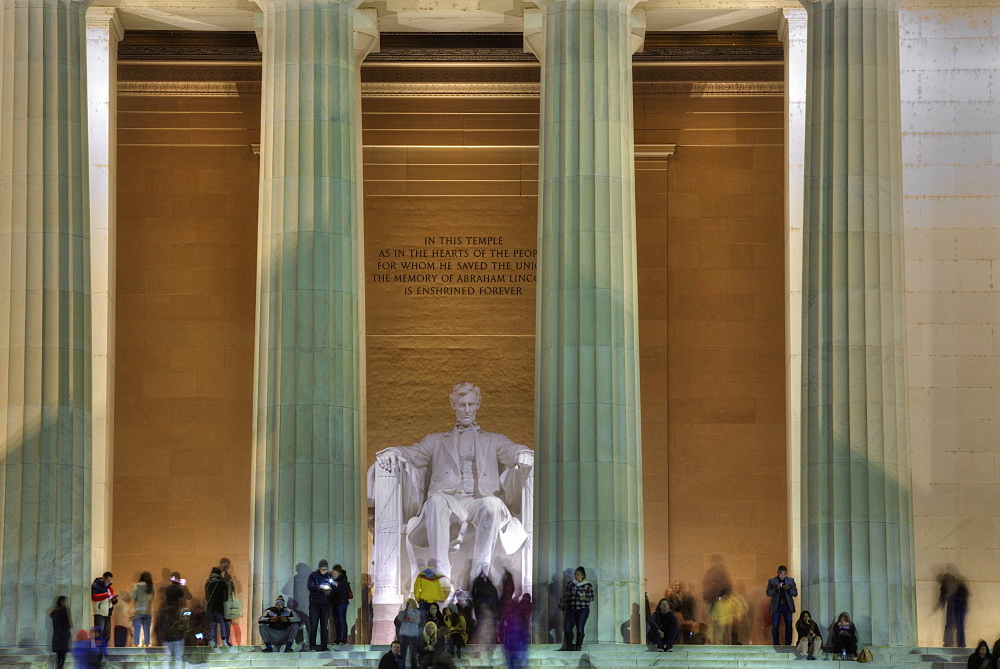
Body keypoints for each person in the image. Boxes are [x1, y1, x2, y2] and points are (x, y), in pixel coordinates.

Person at [375, 382, 534, 585]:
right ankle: (441, 573)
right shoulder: (435, 440)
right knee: (436, 501)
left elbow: (512, 450)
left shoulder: (495, 440)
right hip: (450, 501)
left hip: (478, 501)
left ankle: (480, 574)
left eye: (471, 404)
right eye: (462, 405)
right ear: (454, 406)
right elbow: (414, 454)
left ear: (478, 405)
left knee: (493, 504)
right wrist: (394, 451)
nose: (467, 410)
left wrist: (523, 453)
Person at [558, 566, 595, 651]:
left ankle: (578, 646)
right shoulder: (571, 584)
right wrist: (571, 593)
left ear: (582, 575)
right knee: (567, 628)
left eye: (578, 574)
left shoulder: (587, 585)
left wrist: (584, 598)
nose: (576, 576)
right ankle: (569, 646)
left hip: (582, 609)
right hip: (571, 608)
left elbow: (592, 597)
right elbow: (565, 595)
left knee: (580, 628)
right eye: (575, 574)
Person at [938, 564, 969, 648]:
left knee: (954, 623)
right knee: (956, 623)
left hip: (957, 600)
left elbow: (944, 590)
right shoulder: (954, 578)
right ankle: (957, 643)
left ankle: (952, 642)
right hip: (957, 600)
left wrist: (942, 601)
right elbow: (944, 590)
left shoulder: (954, 578)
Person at [766, 565, 797, 646]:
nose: (782, 576)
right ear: (777, 573)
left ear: (786, 574)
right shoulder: (772, 581)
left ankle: (788, 643)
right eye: (780, 574)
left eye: (783, 574)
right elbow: (768, 593)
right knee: (775, 625)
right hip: (777, 606)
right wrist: (776, 588)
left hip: (787, 606)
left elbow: (795, 593)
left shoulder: (790, 581)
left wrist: (789, 589)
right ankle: (776, 643)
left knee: (789, 625)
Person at [307, 559, 335, 651]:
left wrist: (330, 590)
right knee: (313, 626)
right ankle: (312, 646)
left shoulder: (329, 576)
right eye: (322, 569)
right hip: (314, 603)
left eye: (325, 569)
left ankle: (324, 646)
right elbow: (310, 586)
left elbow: (333, 588)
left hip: (325, 603)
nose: (324, 571)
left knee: (324, 626)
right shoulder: (313, 575)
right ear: (319, 568)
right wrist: (320, 587)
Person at [205, 566, 231, 647]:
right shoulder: (222, 583)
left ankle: (211, 640)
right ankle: (224, 641)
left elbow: (207, 596)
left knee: (211, 624)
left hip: (210, 606)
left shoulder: (207, 583)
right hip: (220, 606)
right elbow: (226, 597)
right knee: (222, 623)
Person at [471, 568, 499, 643]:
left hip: (482, 608)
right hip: (488, 609)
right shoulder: (491, 588)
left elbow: (473, 594)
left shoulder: (479, 592)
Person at [395, 599, 424, 669]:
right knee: (403, 652)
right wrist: (405, 612)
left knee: (413, 653)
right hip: (404, 634)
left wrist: (409, 611)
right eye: (407, 603)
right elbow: (399, 619)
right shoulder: (403, 612)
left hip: (413, 634)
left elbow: (415, 619)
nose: (408, 604)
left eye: (409, 603)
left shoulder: (417, 612)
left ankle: (413, 666)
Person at [128, 572, 154, 647]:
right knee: (147, 630)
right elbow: (152, 598)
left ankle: (136, 645)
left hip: (138, 610)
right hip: (148, 611)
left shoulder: (137, 586)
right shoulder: (152, 587)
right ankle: (147, 645)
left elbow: (133, 596)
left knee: (137, 630)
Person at [90, 572, 117, 644]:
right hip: (100, 612)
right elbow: (94, 597)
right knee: (99, 632)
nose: (109, 582)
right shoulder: (96, 585)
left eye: (110, 580)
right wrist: (105, 595)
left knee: (107, 633)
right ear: (103, 578)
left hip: (108, 612)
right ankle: (98, 649)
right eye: (108, 580)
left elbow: (111, 598)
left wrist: (114, 600)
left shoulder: (110, 588)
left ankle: (103, 647)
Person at [49, 596, 72, 669]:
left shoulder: (63, 611)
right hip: (60, 638)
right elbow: (58, 626)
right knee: (61, 657)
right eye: (63, 601)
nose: (64, 603)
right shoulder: (58, 612)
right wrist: (66, 635)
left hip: (61, 638)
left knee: (61, 657)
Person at [331, 564, 351, 644]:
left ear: (339, 572)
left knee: (342, 620)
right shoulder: (333, 580)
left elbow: (343, 592)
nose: (333, 575)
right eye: (332, 573)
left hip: (342, 603)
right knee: (336, 621)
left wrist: (337, 585)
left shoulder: (343, 580)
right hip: (334, 603)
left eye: (335, 574)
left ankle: (344, 638)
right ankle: (338, 638)